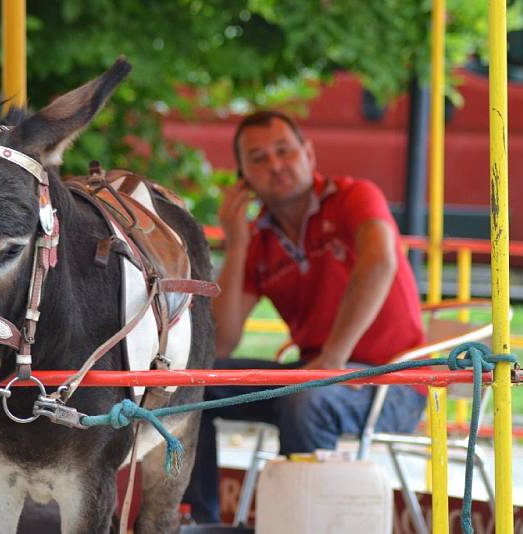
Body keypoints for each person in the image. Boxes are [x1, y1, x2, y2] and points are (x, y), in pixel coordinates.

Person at [183, 110, 428, 523]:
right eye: (258, 158)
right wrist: (238, 243)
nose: (276, 165)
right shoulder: (259, 241)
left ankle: (294, 525)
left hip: (394, 381)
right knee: (191, 382)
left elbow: (380, 262)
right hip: (314, 373)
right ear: (242, 177)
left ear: (308, 153)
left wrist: (333, 359)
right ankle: (201, 522)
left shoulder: (354, 196)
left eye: (284, 150)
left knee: (308, 399)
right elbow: (220, 343)